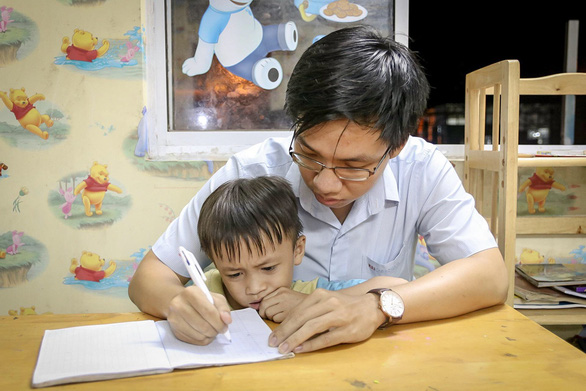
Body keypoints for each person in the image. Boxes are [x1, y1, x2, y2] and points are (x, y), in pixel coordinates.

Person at [129, 25, 508, 354]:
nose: (326, 184)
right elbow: (149, 278)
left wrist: (377, 306)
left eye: (354, 167)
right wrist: (179, 303)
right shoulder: (250, 172)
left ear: (396, 147)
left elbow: (489, 276)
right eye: (309, 155)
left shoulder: (422, 169)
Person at [187, 176, 406, 344]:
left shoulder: (310, 292)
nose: (254, 288)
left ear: (297, 250)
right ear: (215, 261)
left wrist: (306, 303)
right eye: (234, 274)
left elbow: (398, 286)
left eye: (269, 268)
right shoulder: (207, 289)